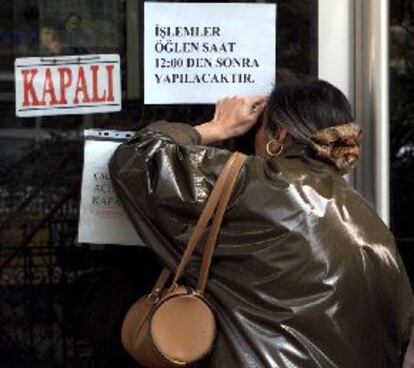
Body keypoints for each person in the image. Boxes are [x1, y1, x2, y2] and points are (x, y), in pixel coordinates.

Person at [109, 80, 414, 367]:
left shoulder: (255, 184)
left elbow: (138, 160)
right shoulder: (372, 224)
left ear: (279, 135)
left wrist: (217, 127)